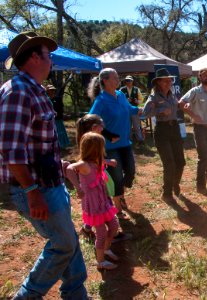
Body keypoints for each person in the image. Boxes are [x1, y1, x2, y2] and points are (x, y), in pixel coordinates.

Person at [0, 31, 88, 299]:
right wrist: (32, 191)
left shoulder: (32, 90)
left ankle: (76, 294)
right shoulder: (17, 92)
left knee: (69, 242)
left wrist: (59, 164)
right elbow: (10, 151)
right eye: (49, 55)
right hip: (36, 188)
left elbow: (33, 144)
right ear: (35, 57)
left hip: (49, 182)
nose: (51, 61)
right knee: (62, 244)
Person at [88, 68, 141, 218]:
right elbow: (90, 121)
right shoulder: (101, 100)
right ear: (105, 81)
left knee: (130, 171)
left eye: (118, 77)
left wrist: (138, 110)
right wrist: (108, 134)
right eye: (115, 78)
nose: (118, 80)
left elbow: (129, 109)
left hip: (125, 142)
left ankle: (119, 193)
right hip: (110, 147)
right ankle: (118, 208)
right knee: (117, 176)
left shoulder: (121, 95)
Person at [66, 132, 120, 270]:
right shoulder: (84, 164)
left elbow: (103, 162)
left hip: (103, 200)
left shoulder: (97, 160)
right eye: (101, 147)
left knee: (114, 225)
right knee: (101, 234)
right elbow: (69, 168)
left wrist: (110, 162)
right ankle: (100, 262)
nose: (103, 150)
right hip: (94, 205)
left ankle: (106, 249)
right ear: (95, 149)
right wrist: (78, 188)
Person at [74, 114, 131, 244]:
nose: (103, 128)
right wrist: (107, 161)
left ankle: (87, 228)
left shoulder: (90, 139)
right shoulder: (91, 140)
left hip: (97, 176)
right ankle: (112, 233)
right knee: (101, 204)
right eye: (102, 126)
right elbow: (89, 160)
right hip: (94, 180)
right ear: (95, 127)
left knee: (98, 205)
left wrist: (106, 162)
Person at [143, 68, 185, 201]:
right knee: (169, 163)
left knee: (181, 162)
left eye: (170, 80)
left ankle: (175, 184)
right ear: (158, 82)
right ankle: (167, 193)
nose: (169, 82)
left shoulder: (171, 94)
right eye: (165, 80)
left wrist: (181, 105)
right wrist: (160, 110)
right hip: (162, 131)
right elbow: (145, 113)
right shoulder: (153, 96)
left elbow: (175, 106)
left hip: (174, 129)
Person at [180, 68, 207, 195]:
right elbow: (181, 103)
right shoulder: (195, 91)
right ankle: (200, 186)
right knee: (203, 157)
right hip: (200, 128)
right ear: (200, 77)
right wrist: (192, 114)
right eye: (204, 75)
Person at [120, 75, 145, 144]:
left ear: (132, 81)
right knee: (127, 125)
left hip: (134, 110)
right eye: (127, 81)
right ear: (125, 82)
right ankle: (129, 139)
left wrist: (138, 101)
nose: (128, 82)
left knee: (136, 126)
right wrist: (125, 100)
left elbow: (141, 99)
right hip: (125, 110)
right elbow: (118, 99)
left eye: (130, 80)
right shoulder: (121, 90)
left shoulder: (136, 89)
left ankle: (140, 139)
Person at [46, 84, 70, 149]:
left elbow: (61, 108)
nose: (51, 91)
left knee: (60, 132)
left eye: (52, 90)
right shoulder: (46, 100)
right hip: (50, 119)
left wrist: (60, 115)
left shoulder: (58, 99)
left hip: (58, 119)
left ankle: (62, 145)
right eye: (50, 90)